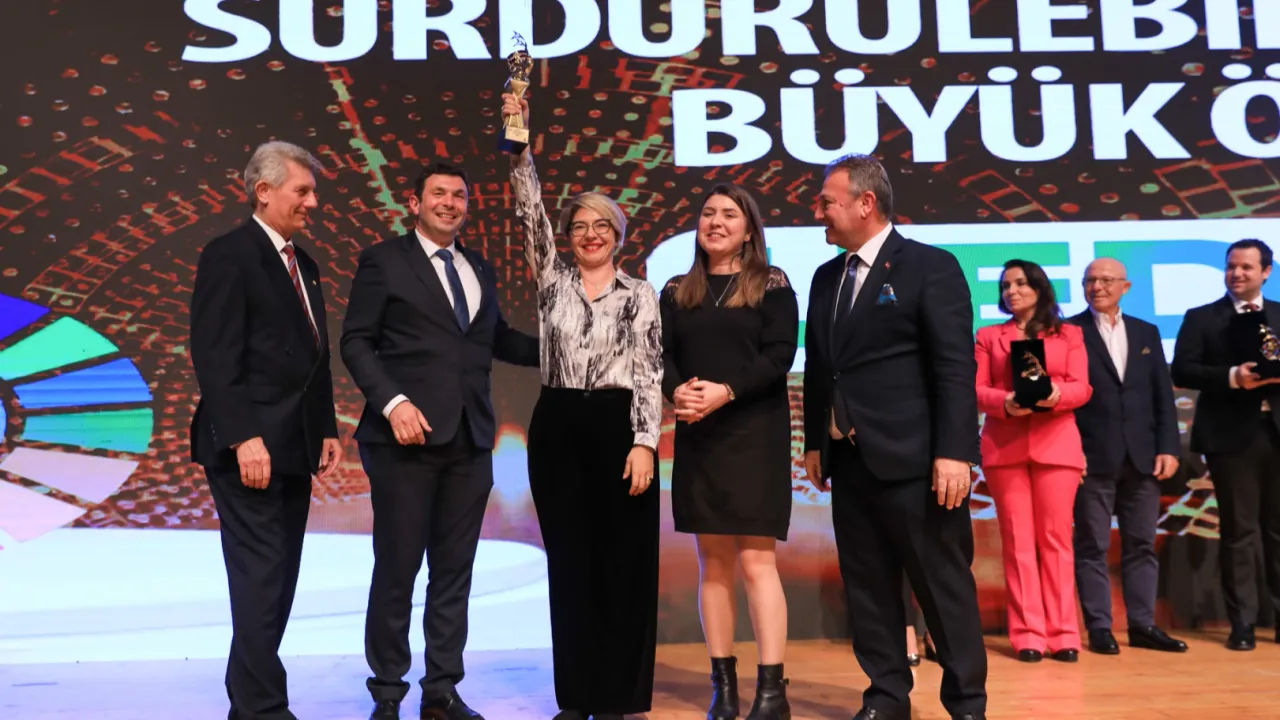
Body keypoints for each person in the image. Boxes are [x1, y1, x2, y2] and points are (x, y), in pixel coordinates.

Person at [339, 159, 539, 720]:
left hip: (469, 440)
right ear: (415, 202)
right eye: (439, 194)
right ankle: (387, 690)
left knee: (454, 572)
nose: (450, 203)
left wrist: (565, 347)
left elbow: (496, 338)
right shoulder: (383, 261)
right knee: (397, 568)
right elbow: (356, 342)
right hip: (403, 442)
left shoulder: (479, 267)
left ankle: (442, 689)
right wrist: (394, 403)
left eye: (459, 196)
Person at [801, 153, 986, 720]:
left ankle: (967, 705)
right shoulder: (826, 277)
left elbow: (954, 367)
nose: (818, 213)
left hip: (918, 463)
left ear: (866, 203)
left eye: (827, 202)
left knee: (942, 588)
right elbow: (822, 368)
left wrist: (955, 452)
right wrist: (815, 440)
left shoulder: (930, 266)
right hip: (850, 461)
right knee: (869, 587)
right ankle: (886, 697)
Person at [504, 92, 662, 720]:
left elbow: (649, 371)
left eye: (602, 226)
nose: (590, 235)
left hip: (620, 429)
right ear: (566, 238)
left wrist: (645, 442)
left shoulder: (640, 293)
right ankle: (575, 698)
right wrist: (519, 141)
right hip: (560, 426)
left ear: (618, 236)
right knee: (570, 566)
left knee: (623, 566)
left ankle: (618, 698)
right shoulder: (551, 280)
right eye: (579, 226)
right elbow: (529, 208)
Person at [189, 140, 344, 720]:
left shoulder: (305, 265)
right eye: (302, 191)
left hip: (294, 446)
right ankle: (263, 709)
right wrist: (241, 436)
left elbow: (315, 357)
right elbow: (214, 353)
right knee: (260, 578)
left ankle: (247, 704)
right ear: (263, 191)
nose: (313, 202)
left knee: (278, 581)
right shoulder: (229, 255)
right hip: (247, 448)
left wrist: (326, 426)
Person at [659, 184, 799, 720]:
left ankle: (772, 692)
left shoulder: (771, 283)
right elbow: (661, 356)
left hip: (755, 435)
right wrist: (678, 392)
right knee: (712, 563)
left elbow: (779, 355)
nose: (715, 222)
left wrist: (726, 391)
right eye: (708, 213)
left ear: (748, 230)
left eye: (729, 215)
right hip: (700, 435)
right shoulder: (676, 290)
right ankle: (723, 686)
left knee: (757, 562)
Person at [1068, 258, 1188, 655]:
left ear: (1126, 286)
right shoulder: (1068, 332)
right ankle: (1099, 627)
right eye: (1090, 280)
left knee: (1141, 544)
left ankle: (1142, 625)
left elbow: (1162, 398)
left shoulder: (1145, 331)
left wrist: (1168, 447)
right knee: (1092, 545)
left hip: (1143, 456)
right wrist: (1071, 450)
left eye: (1106, 280)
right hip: (1091, 456)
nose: (1097, 287)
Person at [974, 259, 1091, 663]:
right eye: (1006, 286)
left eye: (1021, 283)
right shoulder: (989, 336)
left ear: (1040, 288)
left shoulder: (1069, 334)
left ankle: (1064, 633)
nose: (1012, 291)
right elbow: (976, 389)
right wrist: (1004, 402)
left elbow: (1082, 387)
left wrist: (1056, 394)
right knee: (1018, 542)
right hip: (1004, 448)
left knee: (1056, 541)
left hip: (1056, 445)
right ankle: (1028, 634)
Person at [1171, 238, 1280, 651]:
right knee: (1239, 531)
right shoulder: (1203, 317)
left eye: (1246, 267)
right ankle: (1243, 624)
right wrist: (1234, 376)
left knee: (1278, 531)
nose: (1237, 273)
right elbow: (1183, 370)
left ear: (1266, 272)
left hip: (1277, 433)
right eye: (1232, 266)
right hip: (1231, 437)